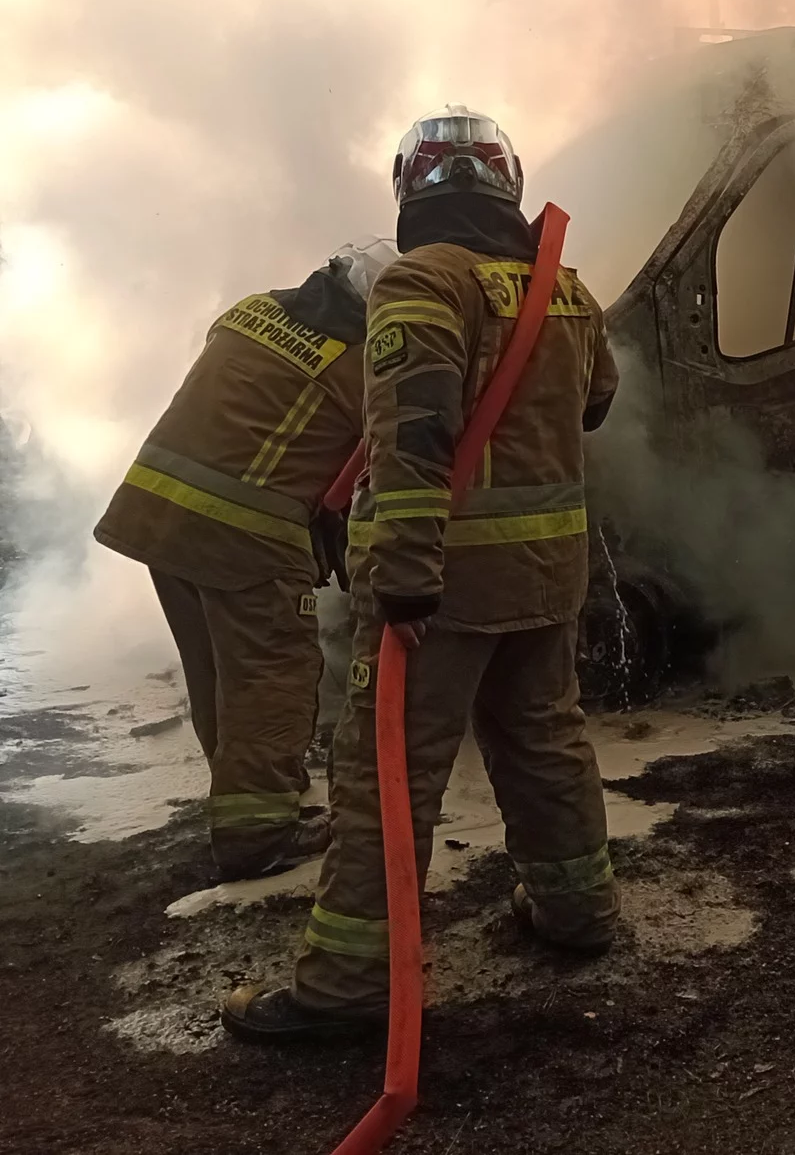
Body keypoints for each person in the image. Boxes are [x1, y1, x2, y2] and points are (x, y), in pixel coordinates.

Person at [222, 107, 619, 1044]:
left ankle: (346, 986)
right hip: (546, 577)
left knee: (386, 777)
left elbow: (413, 436)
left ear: (411, 189)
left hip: (442, 589)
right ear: (508, 183)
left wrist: (402, 576)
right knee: (545, 743)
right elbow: (598, 403)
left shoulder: (421, 281)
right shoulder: (566, 291)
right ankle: (579, 913)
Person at [94, 240, 397, 880]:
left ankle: (248, 794)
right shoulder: (362, 364)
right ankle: (257, 837)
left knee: (214, 670)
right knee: (272, 677)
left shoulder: (249, 311)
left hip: (156, 512)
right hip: (244, 532)